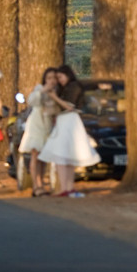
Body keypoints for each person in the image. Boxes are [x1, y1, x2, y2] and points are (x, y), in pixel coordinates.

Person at [39, 64, 99, 197]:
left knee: (66, 155)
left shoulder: (74, 87)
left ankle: (68, 187)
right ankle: (66, 187)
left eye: (60, 77)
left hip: (69, 121)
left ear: (67, 75)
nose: (59, 80)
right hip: (63, 121)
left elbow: (69, 106)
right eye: (57, 78)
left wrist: (54, 96)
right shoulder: (64, 89)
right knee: (63, 155)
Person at [17, 68, 60, 197]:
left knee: (43, 157)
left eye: (54, 78)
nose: (52, 81)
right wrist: (43, 90)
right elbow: (31, 101)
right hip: (36, 125)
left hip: (48, 126)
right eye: (49, 78)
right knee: (36, 154)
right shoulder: (39, 89)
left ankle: (41, 183)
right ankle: (36, 185)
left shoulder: (56, 92)